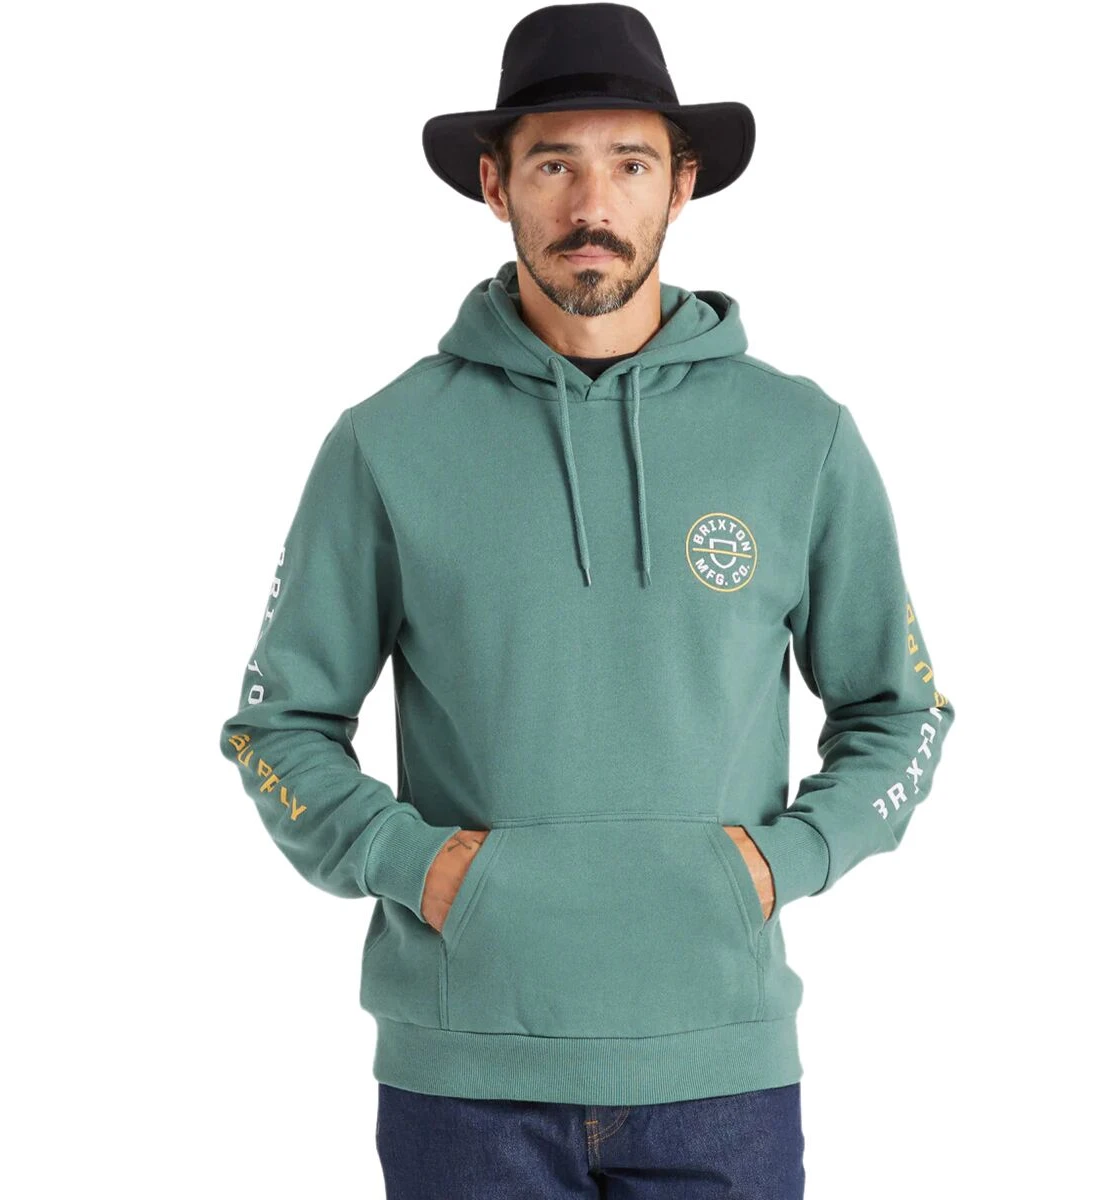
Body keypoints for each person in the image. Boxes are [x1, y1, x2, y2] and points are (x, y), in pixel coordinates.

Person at [217, 4, 956, 1196]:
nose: (592, 204)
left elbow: (900, 712)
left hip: (720, 1072)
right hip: (465, 1080)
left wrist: (792, 859)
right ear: (493, 183)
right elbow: (277, 726)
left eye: (632, 164)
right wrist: (414, 864)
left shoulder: (799, 437)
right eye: (554, 164)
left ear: (683, 185)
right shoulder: (387, 443)